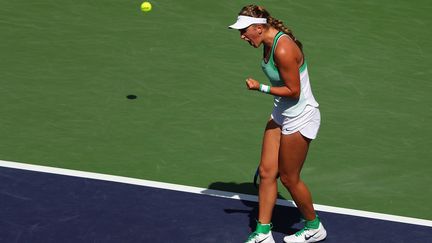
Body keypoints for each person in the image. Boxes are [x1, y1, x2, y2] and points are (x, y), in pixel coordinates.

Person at [228, 5, 327, 243]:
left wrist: (260, 87)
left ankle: (314, 227)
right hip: (281, 112)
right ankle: (263, 232)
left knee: (289, 178)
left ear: (260, 28)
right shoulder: (266, 43)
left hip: (301, 115)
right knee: (266, 172)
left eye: (244, 31)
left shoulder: (283, 49)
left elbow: (294, 91)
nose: (242, 36)